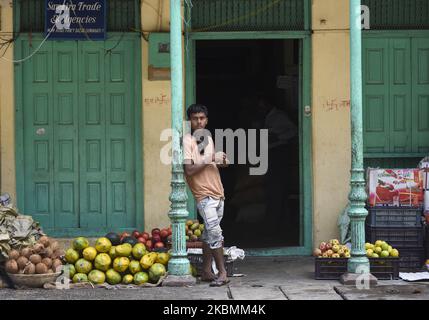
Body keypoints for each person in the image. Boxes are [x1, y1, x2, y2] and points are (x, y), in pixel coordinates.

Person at [183, 104, 230, 286]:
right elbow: (189, 169)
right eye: (195, 118)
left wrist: (222, 161)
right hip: (203, 195)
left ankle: (206, 271)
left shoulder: (208, 139)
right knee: (215, 233)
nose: (199, 121)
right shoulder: (187, 141)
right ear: (190, 121)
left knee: (208, 236)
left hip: (218, 193)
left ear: (207, 120)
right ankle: (222, 273)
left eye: (202, 118)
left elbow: (211, 164)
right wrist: (211, 158)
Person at [257, 94, 298, 226]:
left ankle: (276, 222)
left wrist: (279, 137)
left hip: (279, 153)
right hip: (271, 154)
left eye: (262, 105)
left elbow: (294, 132)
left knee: (277, 188)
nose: (260, 108)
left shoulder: (279, 116)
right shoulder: (267, 117)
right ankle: (274, 221)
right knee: (273, 188)